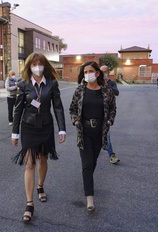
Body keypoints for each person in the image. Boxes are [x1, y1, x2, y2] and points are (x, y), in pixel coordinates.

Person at [11, 52, 66, 222]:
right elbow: (18, 109)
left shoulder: (52, 84)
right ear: (29, 67)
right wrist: (15, 132)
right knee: (29, 164)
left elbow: (58, 107)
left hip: (46, 127)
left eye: (40, 63)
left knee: (43, 159)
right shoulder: (23, 85)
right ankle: (29, 204)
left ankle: (40, 186)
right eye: (34, 64)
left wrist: (62, 129)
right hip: (28, 127)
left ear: (44, 65)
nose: (37, 66)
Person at [69, 61, 116, 212]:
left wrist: (110, 120)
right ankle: (90, 199)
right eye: (85, 72)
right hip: (84, 132)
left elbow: (113, 109)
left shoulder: (107, 91)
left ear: (97, 73)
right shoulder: (80, 91)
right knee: (87, 164)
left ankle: (87, 179)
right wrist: (75, 120)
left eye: (90, 71)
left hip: (100, 132)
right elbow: (72, 109)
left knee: (93, 161)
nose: (87, 74)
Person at [100, 65, 120, 164]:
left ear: (108, 72)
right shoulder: (97, 82)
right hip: (97, 113)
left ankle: (111, 155)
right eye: (101, 72)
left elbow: (116, 92)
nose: (103, 73)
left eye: (105, 72)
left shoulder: (112, 83)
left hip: (107, 113)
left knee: (107, 135)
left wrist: (107, 84)